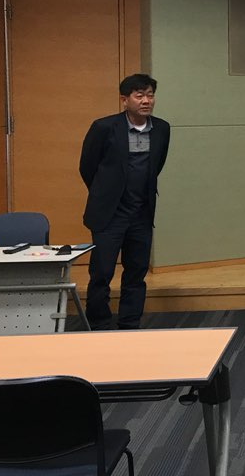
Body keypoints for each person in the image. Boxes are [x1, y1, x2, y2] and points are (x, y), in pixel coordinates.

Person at [79, 73, 170, 329]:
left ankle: (130, 323)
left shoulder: (162, 128)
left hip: (141, 213)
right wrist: (105, 194)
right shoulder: (104, 127)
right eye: (139, 95)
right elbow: (87, 167)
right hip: (110, 214)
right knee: (101, 273)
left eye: (150, 95)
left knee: (136, 272)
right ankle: (99, 323)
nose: (146, 101)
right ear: (124, 99)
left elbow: (157, 165)